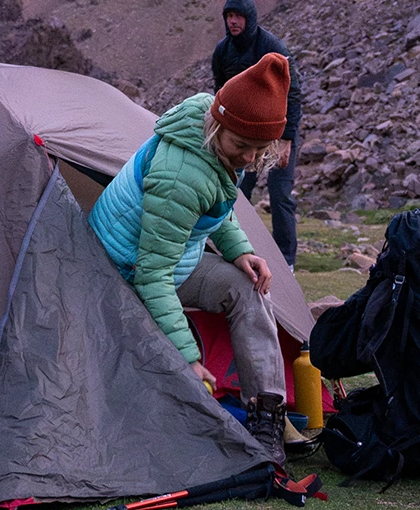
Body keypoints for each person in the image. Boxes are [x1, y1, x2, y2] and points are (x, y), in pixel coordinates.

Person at [89, 52, 293, 464]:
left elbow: (215, 204)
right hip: (122, 272)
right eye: (242, 146)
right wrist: (189, 359)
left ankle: (266, 415)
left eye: (259, 149)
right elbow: (151, 274)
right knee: (166, 343)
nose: (249, 159)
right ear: (219, 126)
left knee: (247, 287)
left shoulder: (214, 130)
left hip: (173, 258)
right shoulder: (180, 176)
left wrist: (240, 252)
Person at [210, 0, 302, 266]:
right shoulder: (222, 51)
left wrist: (287, 140)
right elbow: (220, 93)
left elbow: (293, 94)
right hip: (241, 135)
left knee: (280, 194)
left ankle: (287, 262)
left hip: (276, 133)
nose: (233, 22)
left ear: (250, 19)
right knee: (234, 191)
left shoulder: (273, 48)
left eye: (238, 16)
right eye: (229, 16)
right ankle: (240, 250)